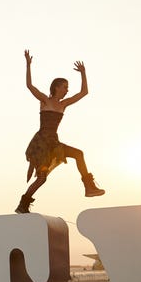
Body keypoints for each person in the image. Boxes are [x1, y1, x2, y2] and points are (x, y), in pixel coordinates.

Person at [16, 49, 104, 214]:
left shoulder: (64, 104)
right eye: (65, 87)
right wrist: (28, 65)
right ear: (56, 87)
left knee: (78, 154)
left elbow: (84, 92)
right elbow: (29, 86)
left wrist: (83, 73)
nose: (67, 90)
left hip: (54, 143)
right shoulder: (45, 100)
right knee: (42, 178)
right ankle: (23, 204)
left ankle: (89, 187)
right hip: (42, 144)